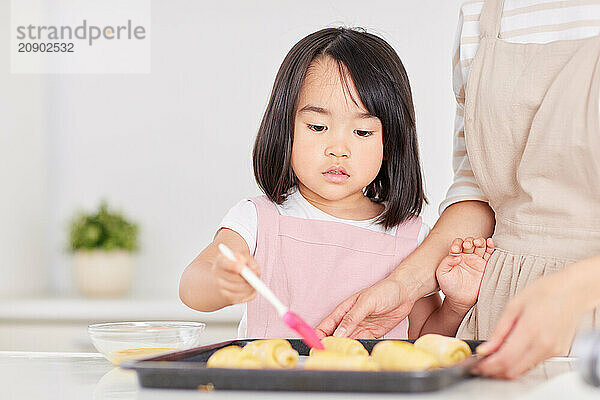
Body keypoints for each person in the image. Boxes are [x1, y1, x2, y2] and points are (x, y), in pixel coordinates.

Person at [316, 0, 600, 379]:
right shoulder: (481, 15)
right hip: (501, 311)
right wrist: (405, 285)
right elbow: (479, 188)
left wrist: (579, 287)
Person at [179, 27, 494, 340]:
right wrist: (222, 282)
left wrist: (456, 304)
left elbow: (424, 341)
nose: (338, 149)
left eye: (362, 132)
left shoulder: (411, 239)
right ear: (285, 129)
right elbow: (192, 287)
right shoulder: (257, 219)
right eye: (318, 126)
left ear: (390, 145)